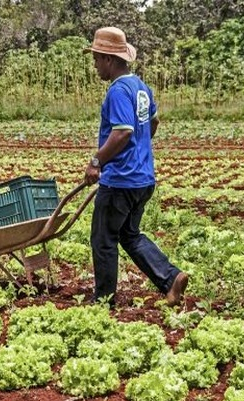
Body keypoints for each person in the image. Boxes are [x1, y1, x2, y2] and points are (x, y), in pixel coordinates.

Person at [82, 27, 188, 308]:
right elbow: (153, 123)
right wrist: (138, 151)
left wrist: (97, 161)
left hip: (121, 180)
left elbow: (122, 132)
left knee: (103, 239)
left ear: (109, 59)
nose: (95, 65)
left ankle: (103, 301)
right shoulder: (141, 88)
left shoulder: (118, 90)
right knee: (129, 234)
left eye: (96, 59)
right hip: (143, 178)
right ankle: (171, 278)